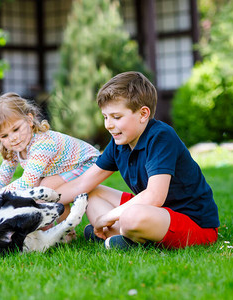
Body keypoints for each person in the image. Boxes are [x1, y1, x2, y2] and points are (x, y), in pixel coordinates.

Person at [56, 71, 219, 250]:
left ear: (143, 114)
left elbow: (154, 196)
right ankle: (122, 236)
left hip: (193, 224)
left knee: (132, 216)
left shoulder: (161, 137)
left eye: (116, 117)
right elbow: (82, 184)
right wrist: (40, 201)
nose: (108, 125)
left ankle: (117, 232)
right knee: (90, 193)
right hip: (154, 213)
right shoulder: (120, 142)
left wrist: (107, 217)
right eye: (105, 117)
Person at [0, 92, 100, 220]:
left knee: (44, 187)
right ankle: (59, 232)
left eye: (16, 129)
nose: (12, 138)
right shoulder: (14, 149)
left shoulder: (42, 144)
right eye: (4, 136)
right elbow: (3, 176)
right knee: (41, 187)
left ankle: (60, 230)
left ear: (29, 120)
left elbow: (27, 182)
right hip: (63, 169)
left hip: (88, 164)